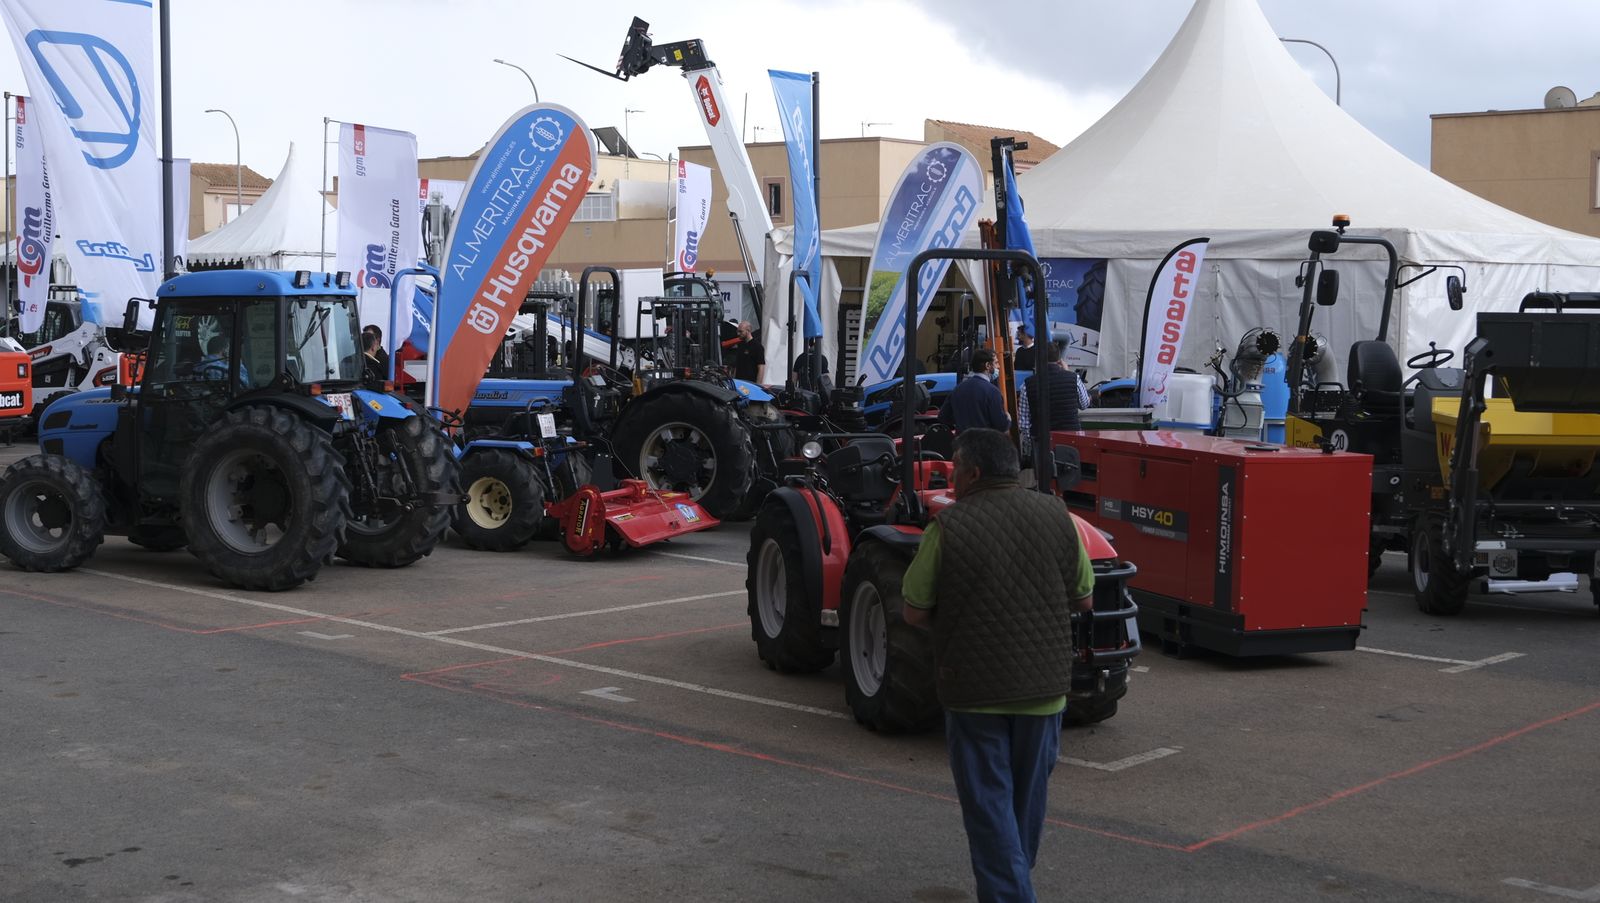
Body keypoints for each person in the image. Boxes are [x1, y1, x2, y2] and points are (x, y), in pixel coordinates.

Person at [902, 428, 1095, 902]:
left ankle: (1011, 894)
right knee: (1023, 809)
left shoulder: (947, 527)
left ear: (974, 473)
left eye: (955, 466)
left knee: (989, 809)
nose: (951, 474)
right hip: (1045, 690)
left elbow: (913, 610)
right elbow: (1085, 598)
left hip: (974, 694)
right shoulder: (1059, 516)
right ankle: (1013, 882)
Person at [1017, 342, 1087, 441]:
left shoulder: (1027, 384)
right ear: (1059, 360)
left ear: (1038, 359)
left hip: (1042, 440)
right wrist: (1067, 371)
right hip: (1071, 438)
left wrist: (1030, 440)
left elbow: (1024, 423)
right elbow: (1084, 404)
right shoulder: (1074, 378)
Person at [938, 349, 1009, 432]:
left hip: (962, 441)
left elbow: (943, 417)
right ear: (988, 365)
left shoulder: (957, 389)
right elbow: (1001, 425)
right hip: (986, 442)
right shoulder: (993, 392)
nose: (999, 366)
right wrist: (1008, 419)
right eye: (996, 363)